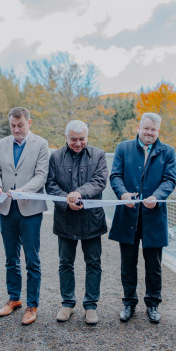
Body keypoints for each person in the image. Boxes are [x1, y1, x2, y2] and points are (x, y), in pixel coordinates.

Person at [108, 112, 176, 324]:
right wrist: (123, 194)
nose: (149, 132)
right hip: (128, 213)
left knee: (154, 265)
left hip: (154, 215)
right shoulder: (123, 148)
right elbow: (115, 176)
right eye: (146, 128)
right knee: (127, 263)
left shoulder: (168, 152)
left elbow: (169, 180)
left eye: (153, 130)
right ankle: (129, 302)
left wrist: (158, 196)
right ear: (139, 127)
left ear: (158, 131)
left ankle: (153, 304)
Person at [0, 107, 50, 325]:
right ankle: (14, 298)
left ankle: (32, 305)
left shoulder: (41, 144)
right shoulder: (1, 144)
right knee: (10, 258)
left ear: (29, 122)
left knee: (32, 259)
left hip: (30, 208)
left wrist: (21, 191)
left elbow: (42, 176)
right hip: (6, 207)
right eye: (13, 126)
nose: (16, 129)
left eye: (20, 125)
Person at [45, 120, 108, 325]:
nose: (78, 143)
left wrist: (78, 194)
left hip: (91, 219)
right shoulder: (55, 156)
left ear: (87, 138)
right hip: (65, 218)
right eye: (74, 139)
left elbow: (99, 181)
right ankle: (67, 303)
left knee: (93, 263)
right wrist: (67, 200)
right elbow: (50, 184)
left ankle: (90, 305)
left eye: (82, 139)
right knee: (65, 263)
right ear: (66, 138)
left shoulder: (98, 155)